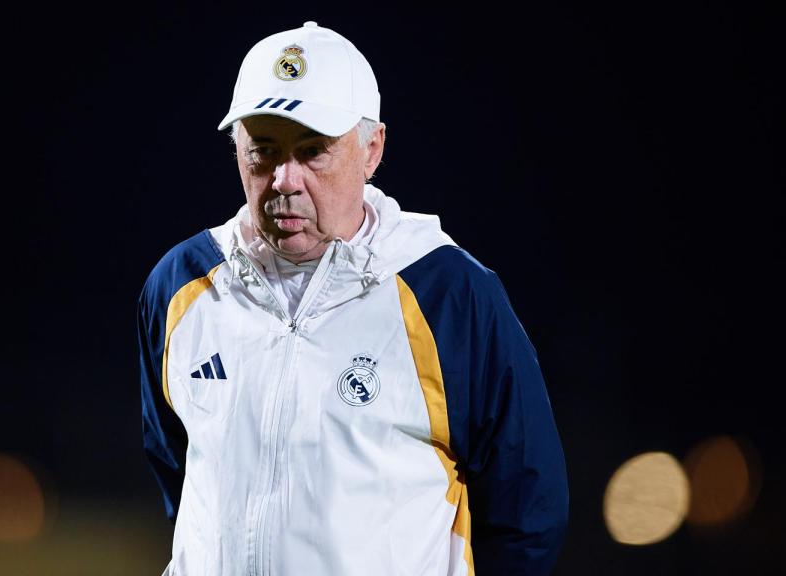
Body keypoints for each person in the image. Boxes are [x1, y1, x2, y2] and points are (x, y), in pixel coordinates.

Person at [138, 21, 568, 575]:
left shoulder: (449, 294)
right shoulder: (180, 286)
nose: (284, 179)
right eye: (262, 151)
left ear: (372, 150)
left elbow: (529, 512)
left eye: (313, 151)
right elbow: (181, 476)